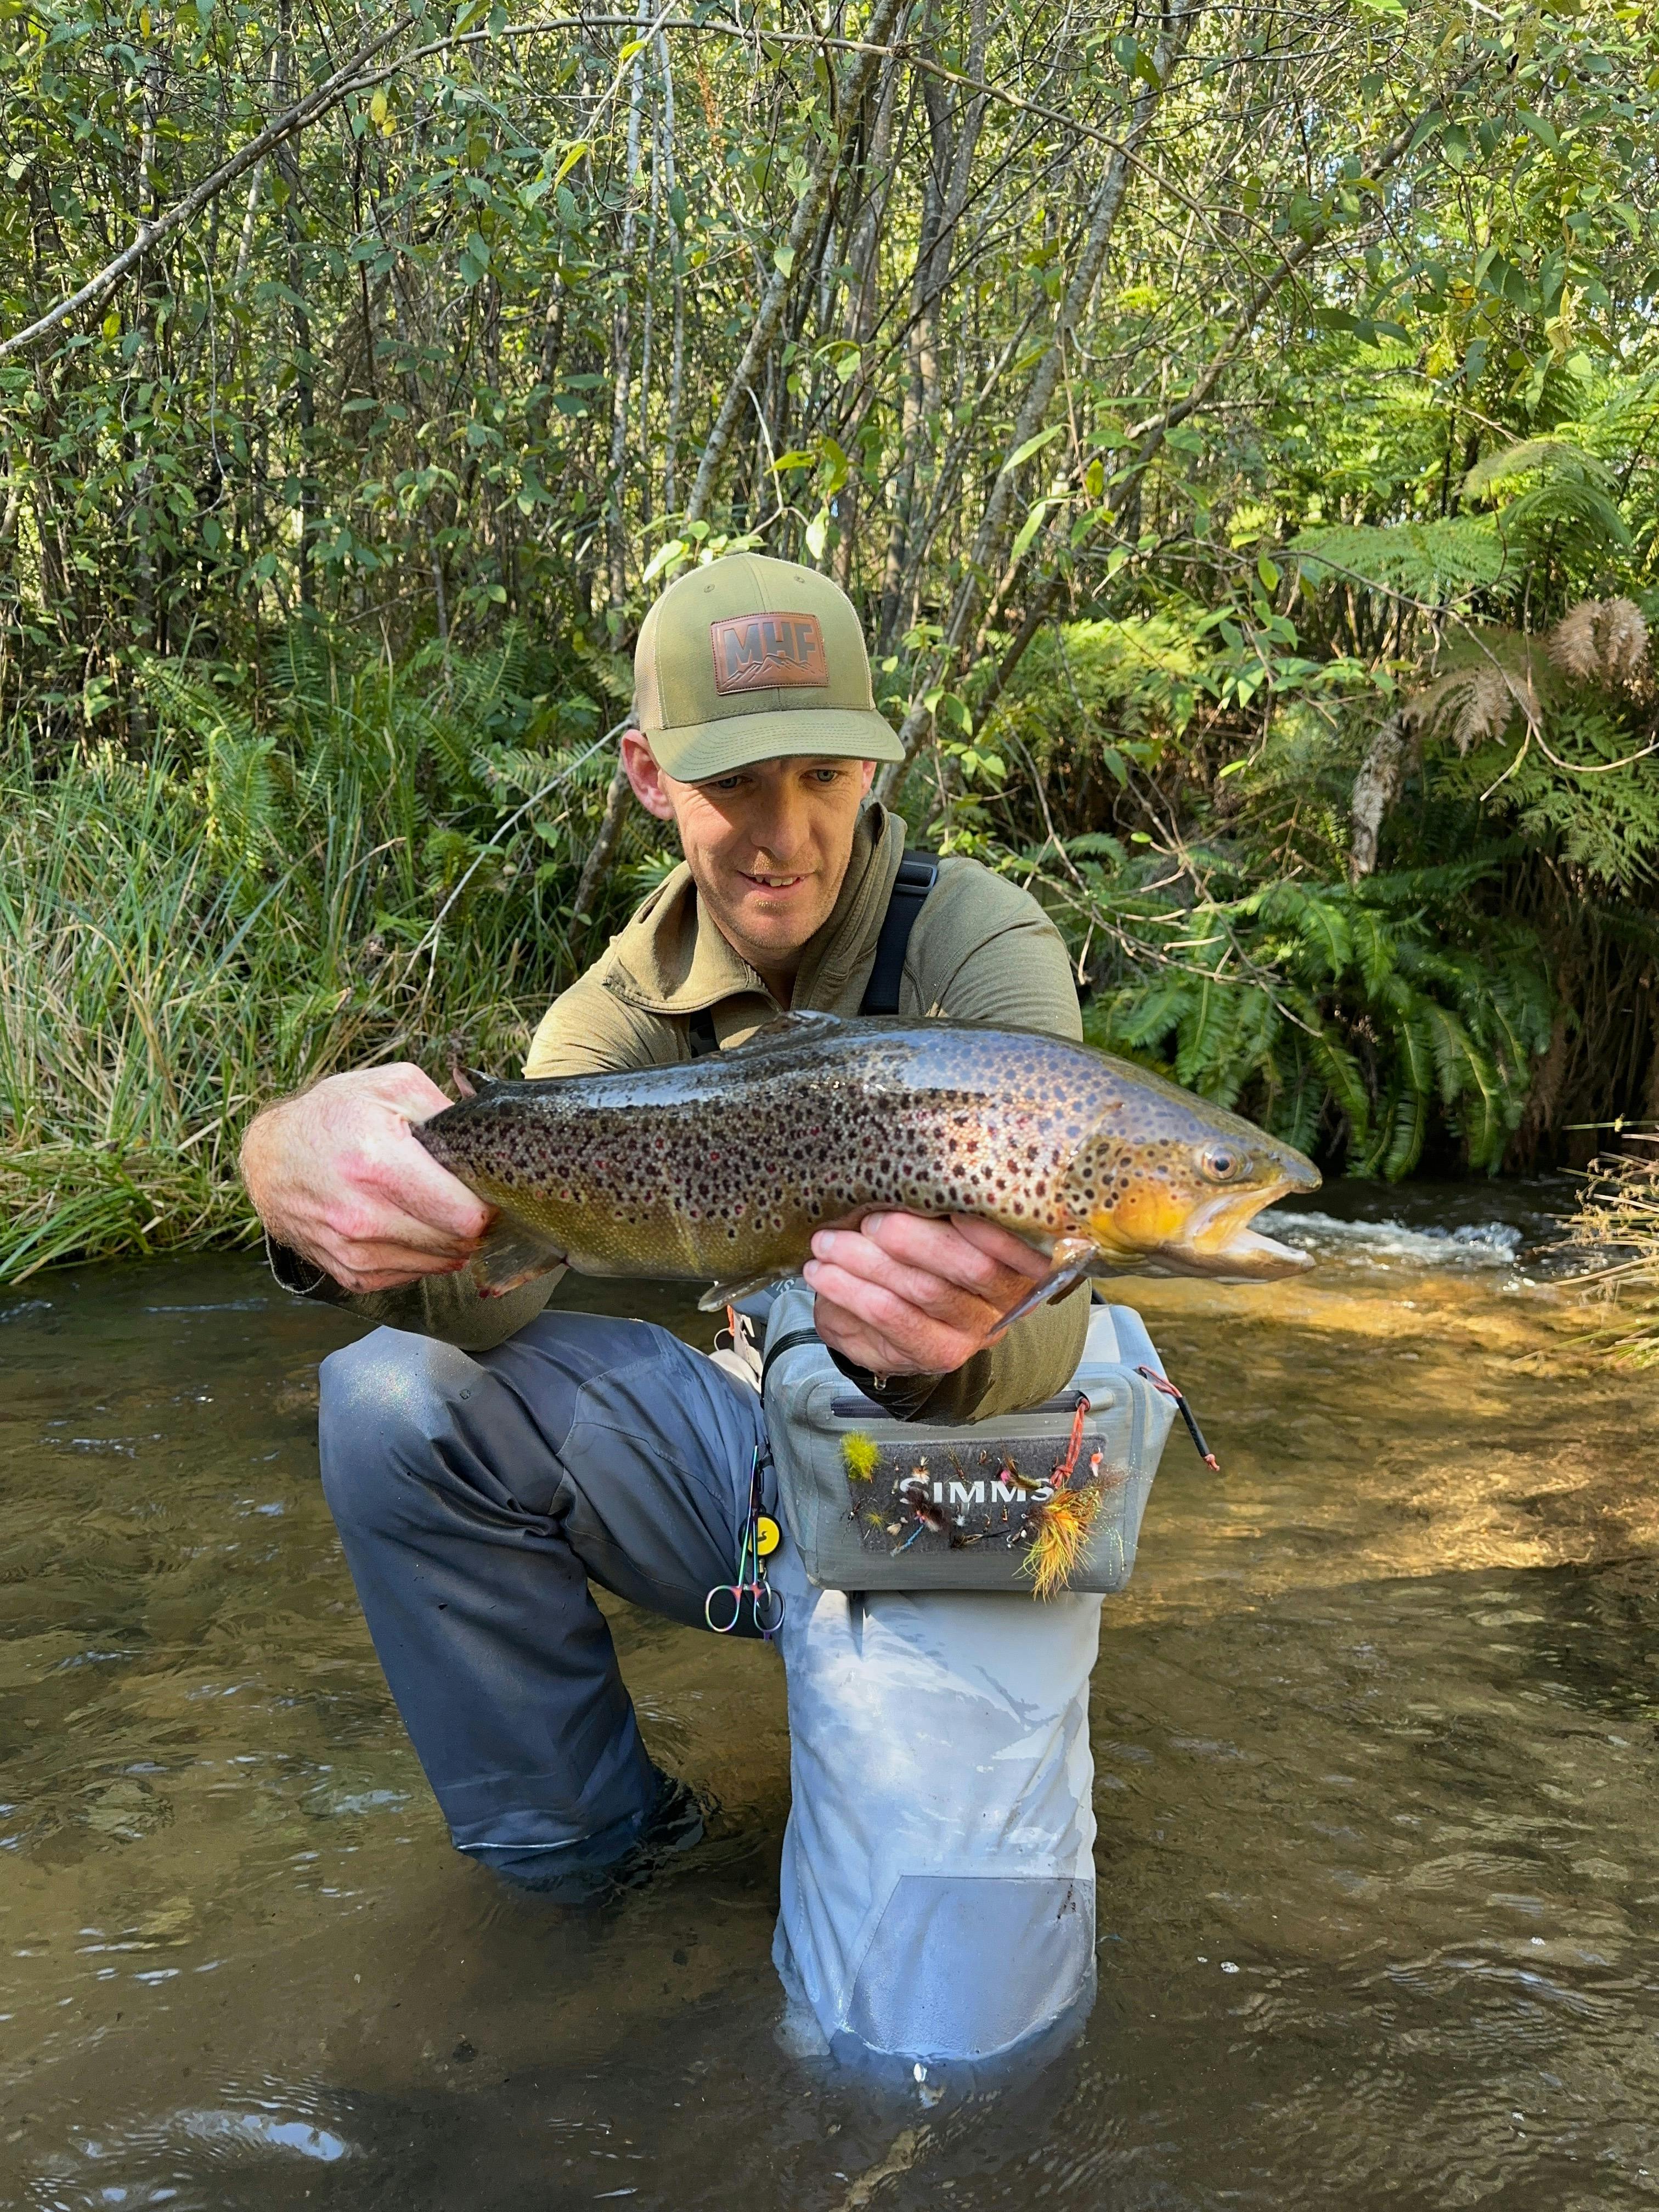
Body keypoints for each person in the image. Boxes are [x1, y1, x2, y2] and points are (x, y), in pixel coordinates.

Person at [241, 554, 1096, 2066]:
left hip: (980, 1462)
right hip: (755, 1453)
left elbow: (1061, 1285)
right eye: (733, 784)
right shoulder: (608, 1022)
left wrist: (954, 1346)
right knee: (388, 1402)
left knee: (943, 2040)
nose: (786, 833)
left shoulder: (978, 943)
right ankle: (595, 1865)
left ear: (877, 760)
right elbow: (482, 1311)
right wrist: (295, 1182)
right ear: (648, 776)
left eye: (824, 774)